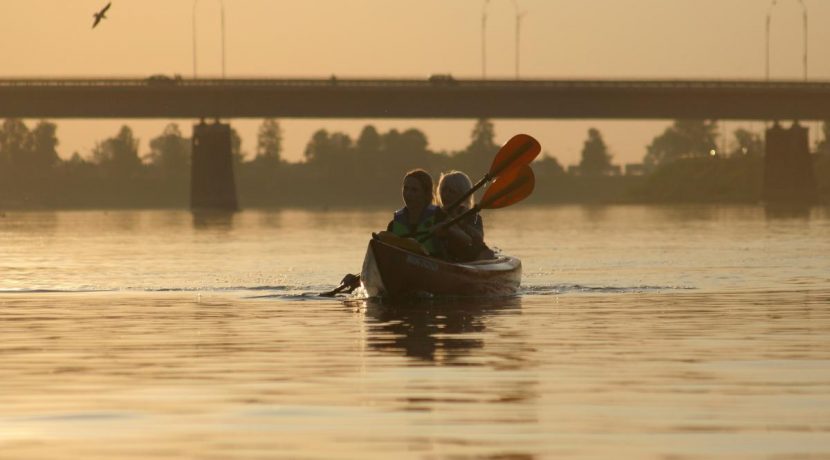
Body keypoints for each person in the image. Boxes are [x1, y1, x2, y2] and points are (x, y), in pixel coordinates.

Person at [435, 170, 495, 262]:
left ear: (462, 194)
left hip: (468, 259)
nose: (445, 195)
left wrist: (459, 225)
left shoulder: (473, 217)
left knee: (488, 253)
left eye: (451, 191)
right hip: (445, 259)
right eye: (443, 190)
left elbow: (478, 240)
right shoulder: (435, 214)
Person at [386, 169, 443, 257]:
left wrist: (450, 232)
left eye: (414, 190)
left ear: (426, 193)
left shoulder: (439, 217)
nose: (408, 194)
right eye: (406, 188)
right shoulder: (393, 225)